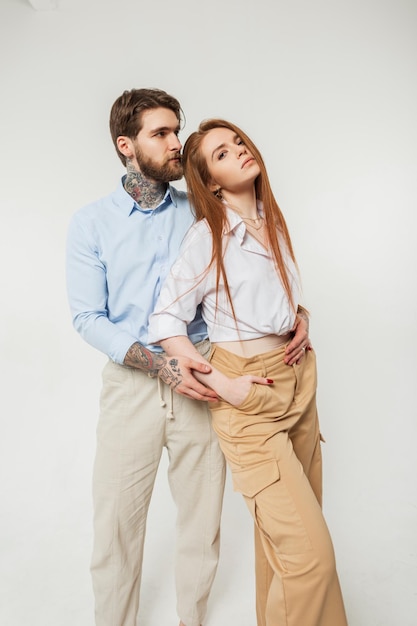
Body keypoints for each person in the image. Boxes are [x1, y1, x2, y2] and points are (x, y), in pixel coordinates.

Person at [66, 88, 313, 626]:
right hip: (133, 384)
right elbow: (88, 318)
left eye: (177, 130)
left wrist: (300, 316)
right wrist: (162, 366)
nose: (177, 142)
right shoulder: (91, 224)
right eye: (161, 134)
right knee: (115, 528)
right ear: (126, 145)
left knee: (202, 528)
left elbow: (257, 274)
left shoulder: (205, 210)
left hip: (209, 373)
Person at [148, 119, 348, 626]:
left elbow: (278, 299)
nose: (239, 151)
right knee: (310, 559)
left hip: (298, 379)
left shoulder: (271, 219)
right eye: (221, 152)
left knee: (284, 551)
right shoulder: (206, 236)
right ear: (210, 181)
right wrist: (221, 382)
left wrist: (300, 318)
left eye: (238, 142)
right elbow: (165, 321)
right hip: (249, 396)